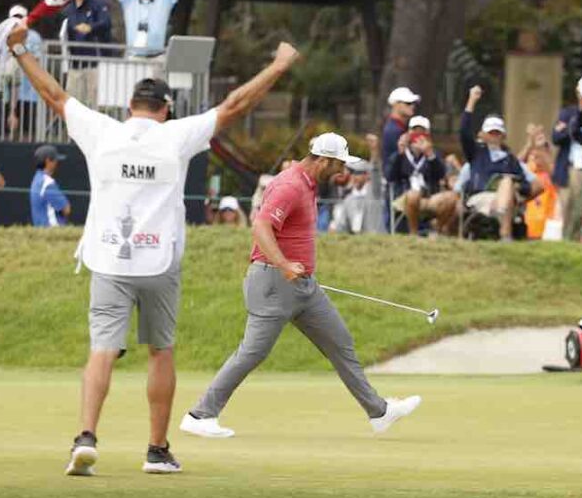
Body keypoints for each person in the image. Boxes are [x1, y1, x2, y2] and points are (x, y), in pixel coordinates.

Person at [5, 20, 299, 476]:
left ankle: (85, 437)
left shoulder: (103, 130)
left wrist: (21, 50)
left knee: (102, 349)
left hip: (108, 258)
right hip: (158, 261)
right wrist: (278, 65)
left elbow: (53, 95)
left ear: (130, 107)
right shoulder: (176, 134)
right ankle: (156, 451)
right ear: (165, 109)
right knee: (160, 350)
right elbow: (236, 104)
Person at [182, 132, 421, 439]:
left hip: (303, 287)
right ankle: (200, 415)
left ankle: (379, 412)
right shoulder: (291, 185)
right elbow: (261, 226)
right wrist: (283, 264)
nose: (342, 170)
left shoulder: (306, 182)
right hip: (274, 281)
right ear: (323, 160)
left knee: (340, 342)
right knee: (252, 352)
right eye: (338, 164)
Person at [458, 86, 538, 240]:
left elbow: (526, 186)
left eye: (497, 132)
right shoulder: (476, 153)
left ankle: (503, 229)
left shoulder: (510, 159)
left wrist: (515, 186)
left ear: (503, 135)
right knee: (506, 186)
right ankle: (504, 232)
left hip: (506, 200)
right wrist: (471, 101)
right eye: (491, 132)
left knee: (507, 183)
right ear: (483, 134)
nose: (494, 136)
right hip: (481, 198)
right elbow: (463, 131)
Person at [386, 115, 458, 235]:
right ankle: (414, 233)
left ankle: (437, 231)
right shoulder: (400, 155)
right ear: (408, 133)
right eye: (415, 131)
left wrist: (430, 155)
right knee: (413, 195)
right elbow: (390, 176)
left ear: (427, 134)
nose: (418, 135)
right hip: (404, 197)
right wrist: (400, 154)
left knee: (451, 197)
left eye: (422, 132)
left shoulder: (433, 155)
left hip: (429, 197)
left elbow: (441, 175)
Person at [552, 75, 582, 241]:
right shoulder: (567, 114)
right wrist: (574, 126)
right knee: (570, 212)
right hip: (569, 169)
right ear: (578, 94)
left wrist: (580, 132)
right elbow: (556, 137)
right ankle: (569, 244)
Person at [61, 0, 112, 106]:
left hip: (94, 66)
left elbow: (106, 23)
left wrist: (90, 28)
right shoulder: (67, 9)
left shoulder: (98, 4)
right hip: (74, 66)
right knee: (73, 105)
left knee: (93, 105)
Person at [380, 86, 420, 231]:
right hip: (398, 188)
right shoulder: (393, 131)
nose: (412, 106)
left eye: (413, 103)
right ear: (396, 105)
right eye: (408, 103)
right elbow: (393, 168)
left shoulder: (400, 128)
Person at [5, 5, 43, 141]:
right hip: (7, 92)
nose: (17, 20)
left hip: (28, 92)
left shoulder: (34, 37)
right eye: (14, 17)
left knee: (27, 132)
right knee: (6, 131)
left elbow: (36, 59)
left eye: (20, 17)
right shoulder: (4, 36)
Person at [30, 145, 71, 228]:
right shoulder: (47, 183)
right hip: (53, 229)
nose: (57, 163)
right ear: (48, 161)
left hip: (40, 230)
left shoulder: (37, 179)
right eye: (55, 160)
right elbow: (66, 209)